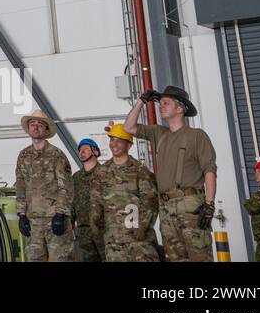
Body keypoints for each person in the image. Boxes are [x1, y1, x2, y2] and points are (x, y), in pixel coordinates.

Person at [122, 85, 217, 262]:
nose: (161, 106)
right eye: (161, 102)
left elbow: (209, 170)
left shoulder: (196, 136)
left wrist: (209, 204)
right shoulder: (159, 133)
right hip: (165, 206)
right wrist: (141, 101)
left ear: (180, 108)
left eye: (166, 103)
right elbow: (128, 127)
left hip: (191, 206)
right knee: (174, 258)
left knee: (199, 257)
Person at [90, 123, 159, 261]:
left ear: (129, 145)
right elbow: (96, 205)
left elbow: (151, 201)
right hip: (113, 242)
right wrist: (97, 230)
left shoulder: (140, 171)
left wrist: (143, 226)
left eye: (119, 140)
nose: (114, 144)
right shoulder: (101, 172)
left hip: (139, 241)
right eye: (112, 140)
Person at [15, 110, 73, 261]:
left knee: (62, 258)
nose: (35, 127)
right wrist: (21, 214)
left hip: (54, 218)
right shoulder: (23, 156)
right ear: (28, 129)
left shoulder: (56, 155)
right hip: (33, 221)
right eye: (32, 124)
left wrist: (61, 214)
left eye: (40, 124)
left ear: (46, 130)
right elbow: (20, 186)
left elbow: (65, 186)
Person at [72, 138, 103, 262]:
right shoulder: (76, 177)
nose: (81, 152)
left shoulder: (105, 173)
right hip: (84, 230)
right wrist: (70, 222)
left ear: (95, 152)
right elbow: (72, 202)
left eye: (85, 149)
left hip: (103, 228)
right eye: (80, 150)